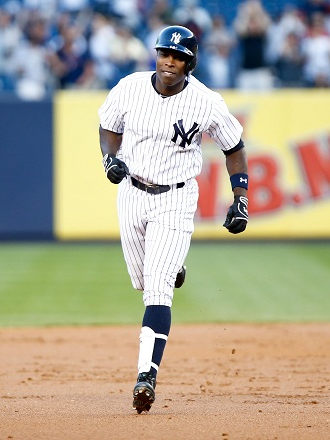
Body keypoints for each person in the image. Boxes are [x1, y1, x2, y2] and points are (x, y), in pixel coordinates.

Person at [97, 25, 249, 414]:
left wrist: (240, 197)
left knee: (157, 290)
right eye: (165, 53)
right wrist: (109, 159)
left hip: (176, 197)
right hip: (132, 193)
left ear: (190, 64)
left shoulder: (206, 102)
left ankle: (146, 376)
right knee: (143, 280)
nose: (170, 61)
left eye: (179, 57)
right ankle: (173, 264)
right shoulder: (129, 88)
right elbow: (109, 127)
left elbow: (234, 146)